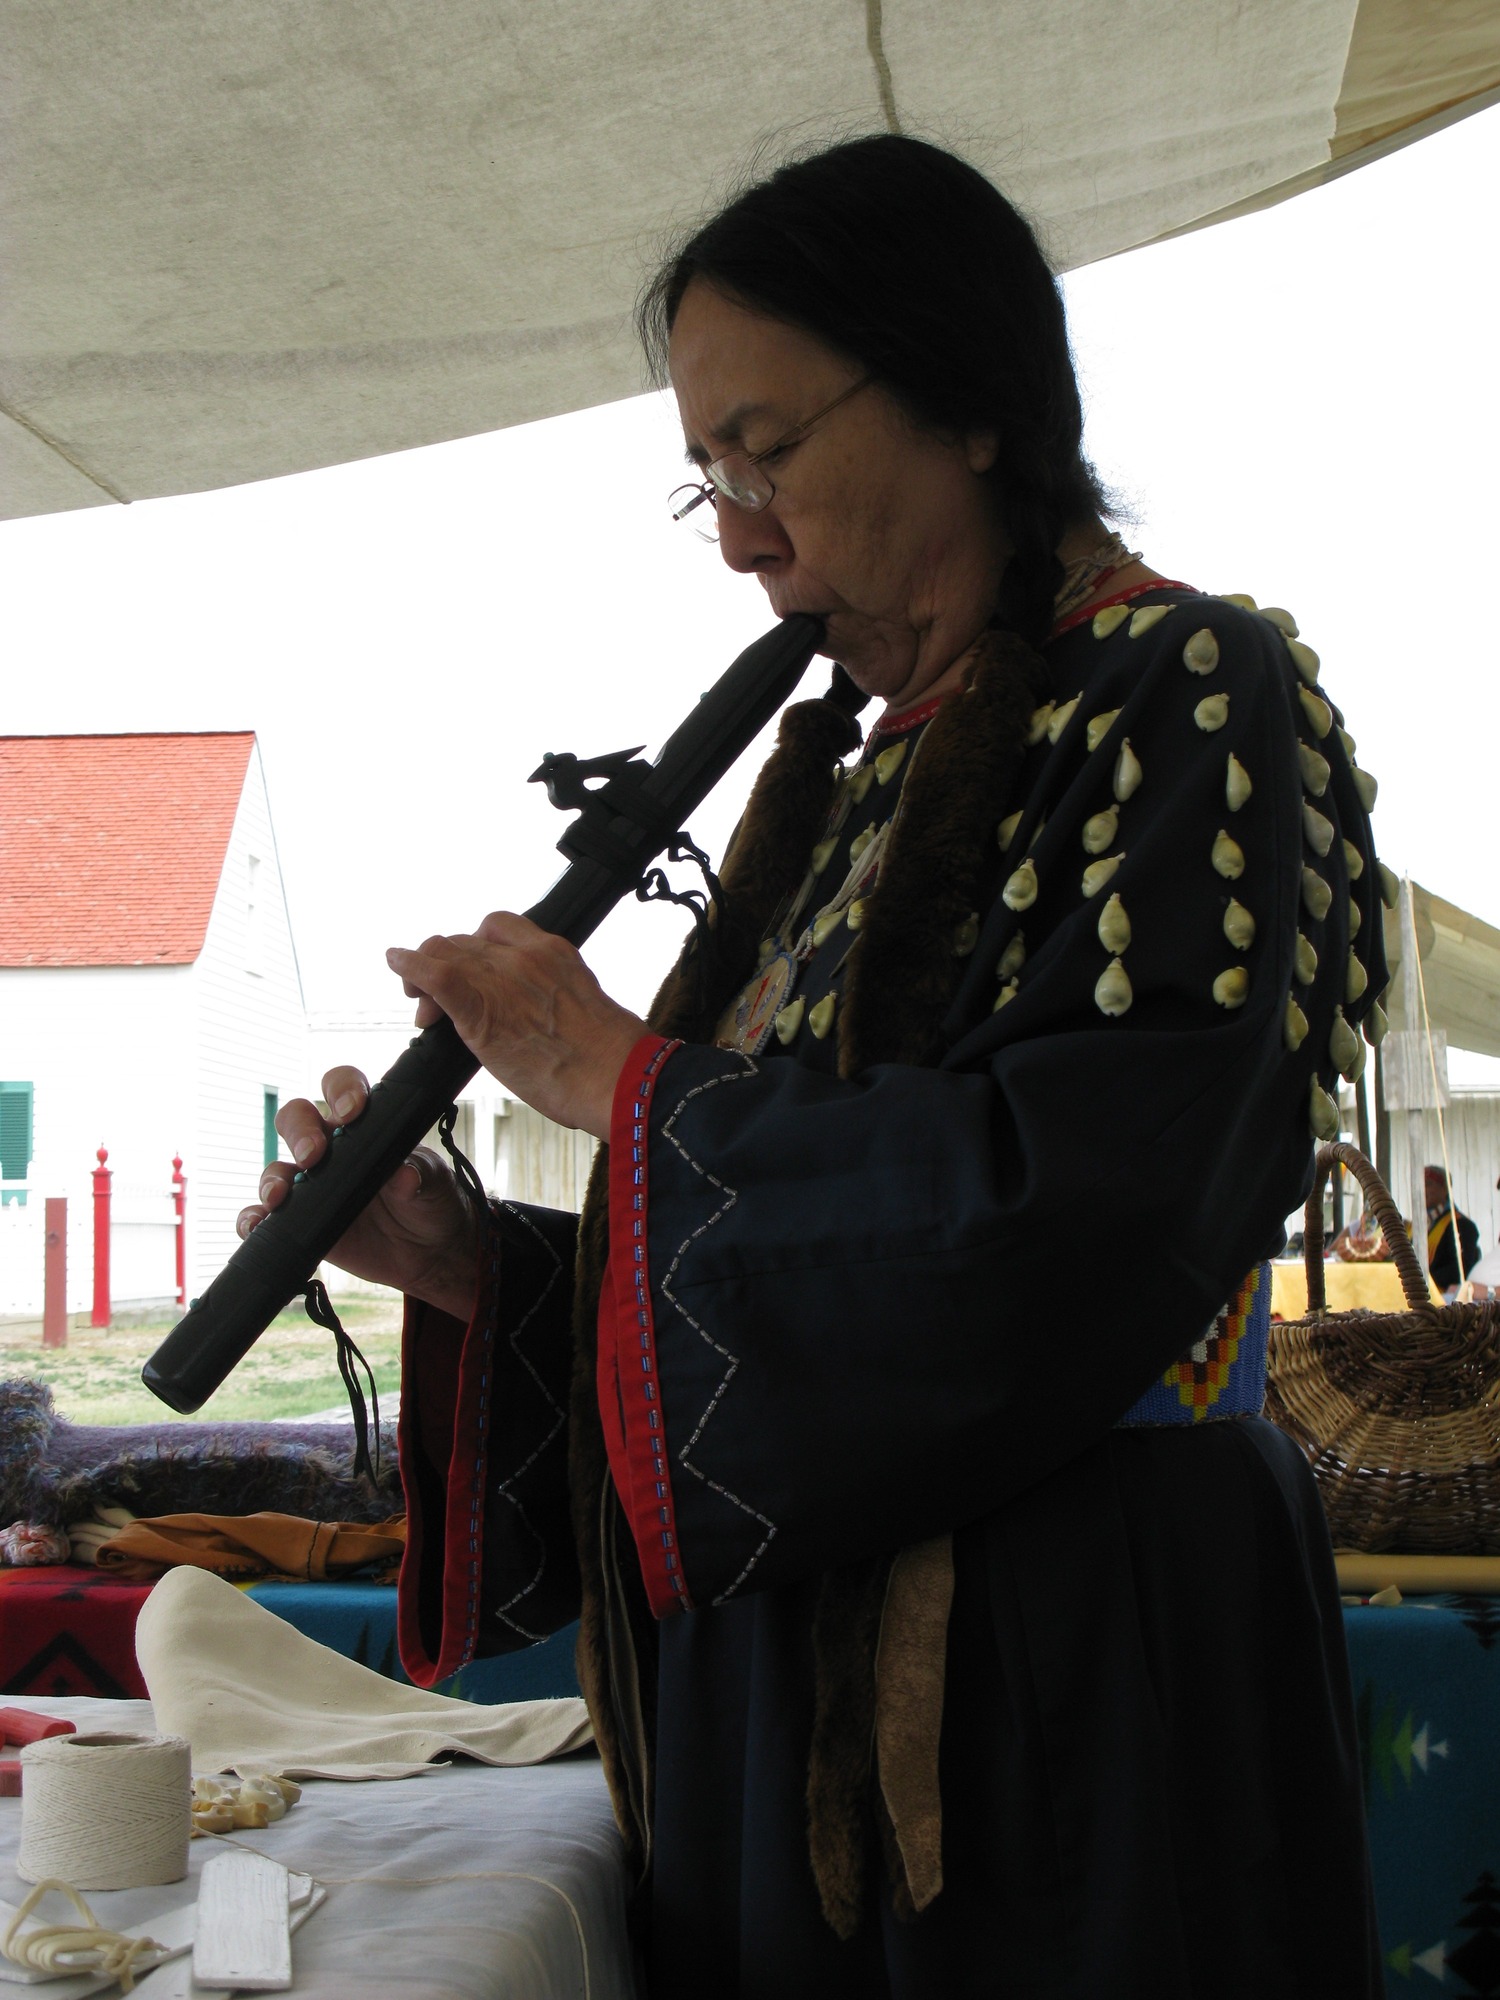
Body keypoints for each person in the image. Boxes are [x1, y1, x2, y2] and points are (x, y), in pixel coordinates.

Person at [244, 137, 1389, 1997]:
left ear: (972, 405)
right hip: (790, 1700)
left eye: (766, 454)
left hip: (1074, 1687)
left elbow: (1085, 1218)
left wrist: (620, 1072)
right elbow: (770, 1275)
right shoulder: (841, 788)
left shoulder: (1189, 684)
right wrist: (468, 1265)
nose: (744, 536)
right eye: (704, 480)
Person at [1424, 1164, 1482, 1295]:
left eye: (1428, 1184)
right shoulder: (1416, 1226)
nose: (1421, 1189)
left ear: (1445, 1189)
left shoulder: (1462, 1225)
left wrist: (1422, 1279)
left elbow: (1460, 1269)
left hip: (1444, 1300)